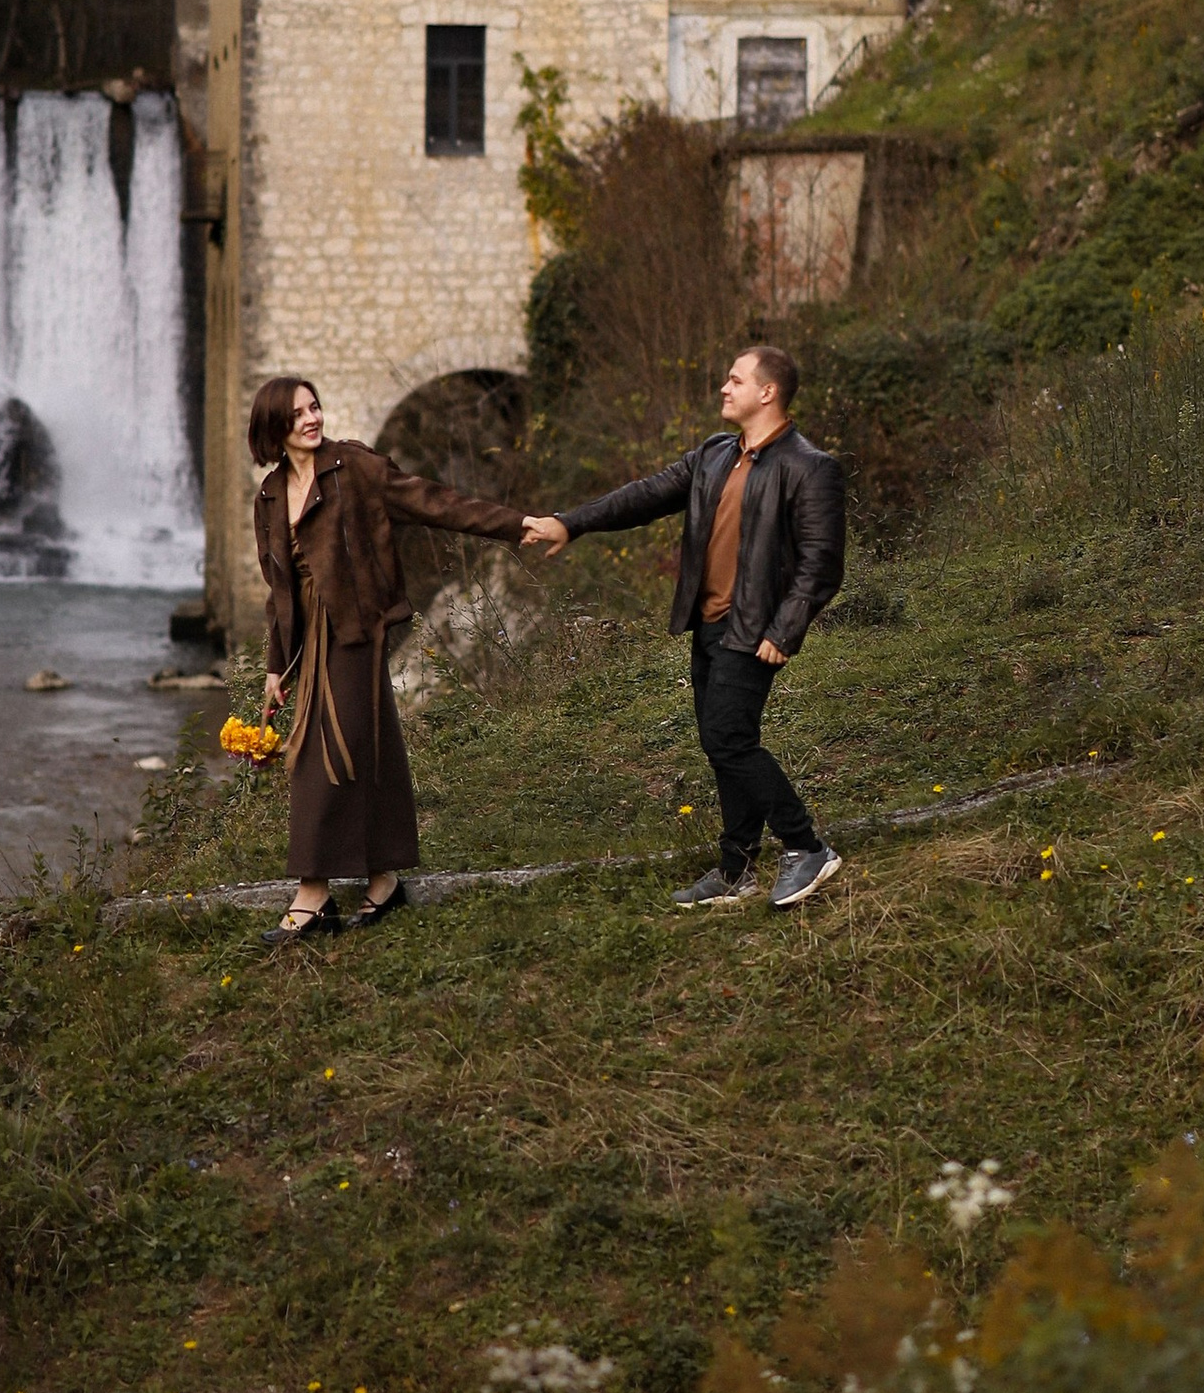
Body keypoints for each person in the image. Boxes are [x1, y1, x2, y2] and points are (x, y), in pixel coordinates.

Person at [521, 345, 846, 909]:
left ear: (767, 392)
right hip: (710, 625)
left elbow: (822, 564)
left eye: (735, 379)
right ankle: (736, 868)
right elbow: (643, 497)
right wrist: (571, 524)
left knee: (729, 738)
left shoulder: (809, 466)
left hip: (755, 630)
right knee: (722, 745)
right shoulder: (714, 455)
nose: (724, 388)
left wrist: (783, 630)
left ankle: (806, 846)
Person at [249, 375, 533, 944]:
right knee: (365, 746)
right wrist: (276, 665)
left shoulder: (353, 468)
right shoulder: (270, 495)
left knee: (318, 755)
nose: (313, 418)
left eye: (316, 406)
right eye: (299, 413)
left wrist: (516, 525)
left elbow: (435, 502)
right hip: (310, 639)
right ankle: (383, 879)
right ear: (274, 428)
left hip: (356, 629)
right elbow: (278, 589)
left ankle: (313, 894)